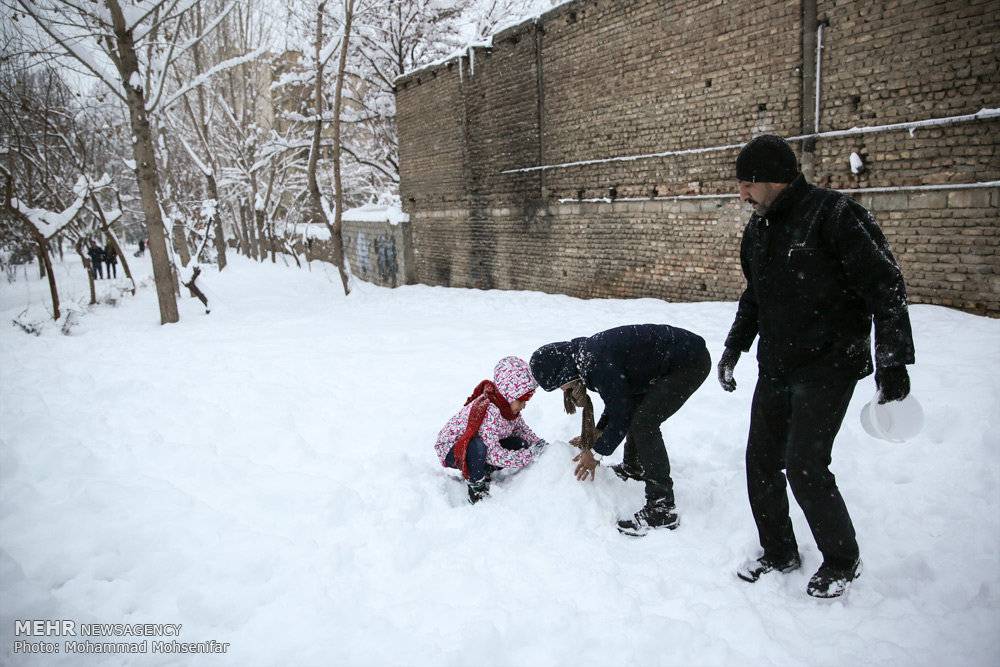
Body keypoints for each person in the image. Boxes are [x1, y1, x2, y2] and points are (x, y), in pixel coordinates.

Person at [718, 134, 915, 598]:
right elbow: (755, 296)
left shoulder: (835, 216)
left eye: (748, 184)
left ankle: (842, 560)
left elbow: (886, 287)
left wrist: (892, 363)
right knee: (760, 462)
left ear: (776, 180)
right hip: (777, 365)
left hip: (829, 367)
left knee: (805, 465)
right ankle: (780, 551)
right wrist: (734, 348)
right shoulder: (759, 229)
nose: (741, 194)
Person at [530, 324, 711, 536]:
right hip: (671, 359)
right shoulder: (587, 356)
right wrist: (597, 436)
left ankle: (661, 508)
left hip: (687, 362)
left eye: (559, 386)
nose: (564, 390)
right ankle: (634, 467)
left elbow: (621, 416)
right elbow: (619, 403)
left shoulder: (595, 363)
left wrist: (596, 453)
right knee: (638, 415)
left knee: (645, 424)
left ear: (562, 372)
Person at [435, 356, 546, 504]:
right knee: (478, 447)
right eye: (521, 401)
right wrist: (528, 456)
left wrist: (539, 445)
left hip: (480, 445)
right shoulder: (490, 412)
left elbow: (521, 430)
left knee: (520, 443)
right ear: (509, 394)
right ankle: (476, 485)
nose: (524, 405)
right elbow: (493, 453)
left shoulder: (508, 409)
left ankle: (483, 468)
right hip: (451, 448)